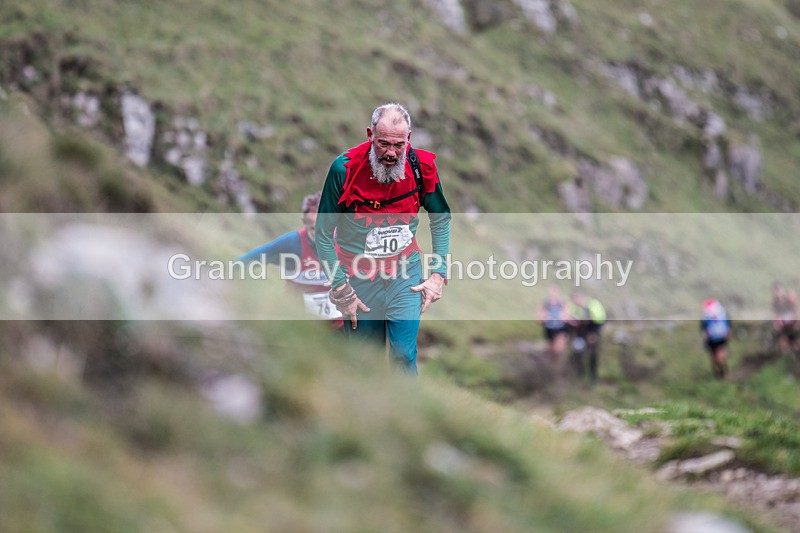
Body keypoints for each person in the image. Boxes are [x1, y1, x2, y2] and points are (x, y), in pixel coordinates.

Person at [315, 103, 451, 375]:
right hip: (359, 278)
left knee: (403, 355)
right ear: (370, 135)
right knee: (366, 361)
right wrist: (340, 286)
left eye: (398, 145)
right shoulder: (343, 170)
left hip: (405, 275)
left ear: (408, 139)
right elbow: (323, 234)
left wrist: (438, 273)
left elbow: (441, 217)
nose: (391, 153)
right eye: (383, 143)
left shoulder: (420, 167)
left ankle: (407, 417)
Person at [239, 191, 343, 327]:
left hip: (342, 327)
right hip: (302, 327)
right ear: (304, 222)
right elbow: (246, 262)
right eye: (313, 228)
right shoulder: (291, 244)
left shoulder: (346, 241)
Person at [567, 290, 606, 383]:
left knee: (592, 353)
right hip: (580, 333)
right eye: (574, 299)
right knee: (577, 352)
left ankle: (593, 376)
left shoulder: (593, 304)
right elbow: (572, 320)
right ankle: (580, 374)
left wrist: (594, 333)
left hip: (593, 331)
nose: (576, 301)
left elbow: (600, 320)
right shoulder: (575, 307)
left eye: (577, 299)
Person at [700, 298, 731, 379]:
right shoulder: (706, 317)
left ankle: (723, 370)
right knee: (714, 358)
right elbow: (703, 328)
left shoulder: (723, 314)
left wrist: (727, 332)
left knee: (720, 356)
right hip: (711, 340)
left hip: (720, 338)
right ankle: (718, 372)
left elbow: (728, 325)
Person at [538, 285, 569, 363]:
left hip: (560, 328)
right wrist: (543, 318)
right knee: (551, 350)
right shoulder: (545, 304)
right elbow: (538, 318)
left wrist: (564, 317)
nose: (553, 294)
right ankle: (552, 367)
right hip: (549, 329)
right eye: (552, 292)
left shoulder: (562, 303)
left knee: (558, 349)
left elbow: (567, 315)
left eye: (555, 292)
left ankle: (560, 365)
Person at [771, 282, 799, 355]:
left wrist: (796, 321)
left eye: (779, 290)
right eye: (776, 290)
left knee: (795, 341)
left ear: (782, 289)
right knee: (784, 341)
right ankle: (788, 358)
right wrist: (776, 323)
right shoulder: (775, 302)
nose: (777, 292)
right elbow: (776, 314)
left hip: (793, 322)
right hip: (784, 324)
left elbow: (796, 309)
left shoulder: (789, 297)